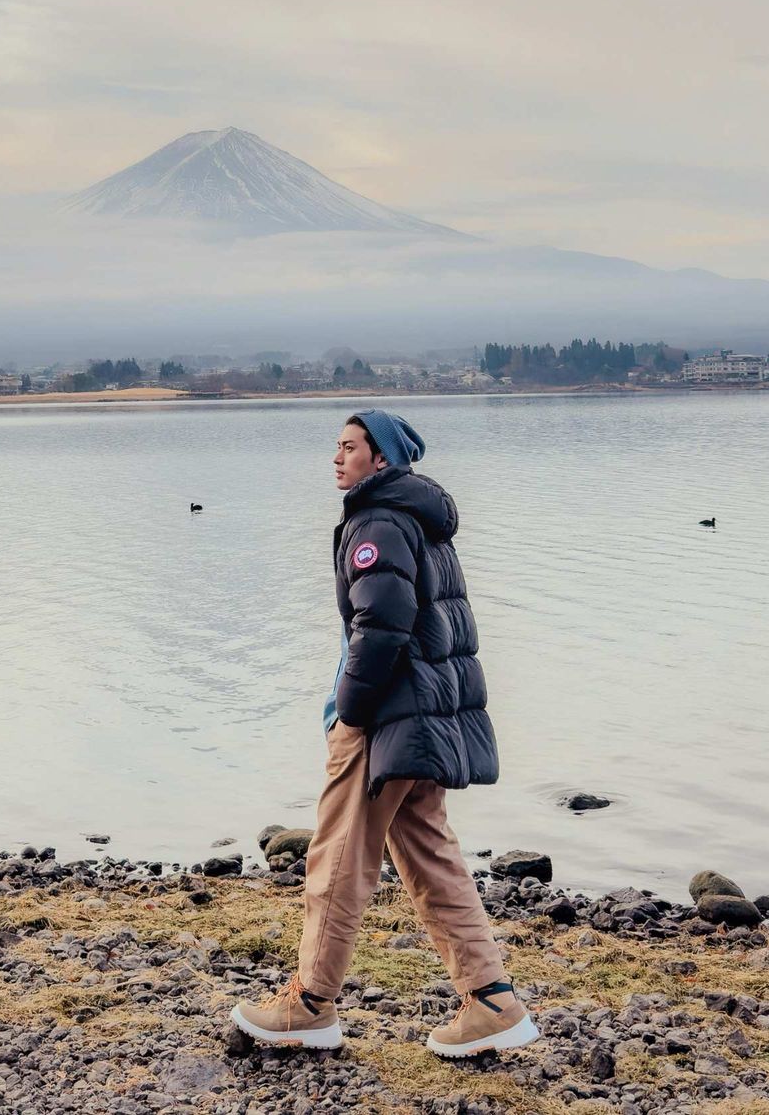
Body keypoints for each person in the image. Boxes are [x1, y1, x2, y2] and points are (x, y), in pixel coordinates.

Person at [231, 409, 540, 1057]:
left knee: (337, 857)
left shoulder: (377, 520)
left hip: (384, 720)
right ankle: (493, 1001)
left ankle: (310, 1003)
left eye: (349, 447)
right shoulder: (421, 519)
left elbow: (384, 621)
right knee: (431, 859)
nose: (336, 458)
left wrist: (350, 708)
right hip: (421, 718)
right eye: (336, 447)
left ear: (382, 459)